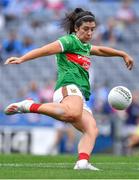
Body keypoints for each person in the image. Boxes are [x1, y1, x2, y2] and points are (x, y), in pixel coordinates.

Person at [4, 8, 134, 170]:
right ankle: (29, 105)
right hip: (68, 87)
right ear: (76, 28)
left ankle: (82, 163)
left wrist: (122, 53)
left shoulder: (84, 46)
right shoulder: (69, 41)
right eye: (86, 29)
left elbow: (100, 49)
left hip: (79, 93)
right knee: (72, 113)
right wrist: (22, 58)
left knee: (91, 129)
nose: (89, 33)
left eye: (92, 29)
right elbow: (45, 49)